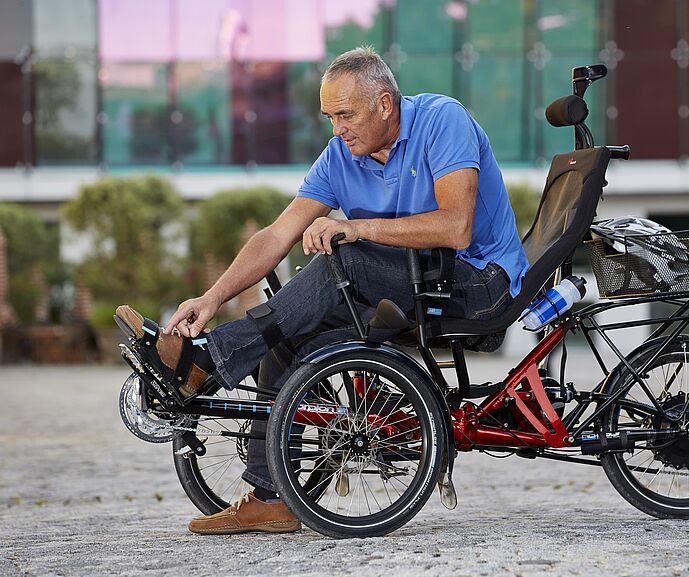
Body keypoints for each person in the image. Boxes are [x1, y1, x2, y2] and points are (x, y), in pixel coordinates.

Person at [115, 46, 529, 535]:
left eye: (345, 115)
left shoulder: (442, 120)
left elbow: (456, 227)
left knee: (343, 257)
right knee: (283, 336)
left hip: (478, 283)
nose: (337, 129)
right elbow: (276, 235)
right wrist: (212, 297)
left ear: (384, 104)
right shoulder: (340, 157)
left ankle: (206, 358)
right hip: (412, 285)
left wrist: (355, 228)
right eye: (330, 117)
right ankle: (272, 497)